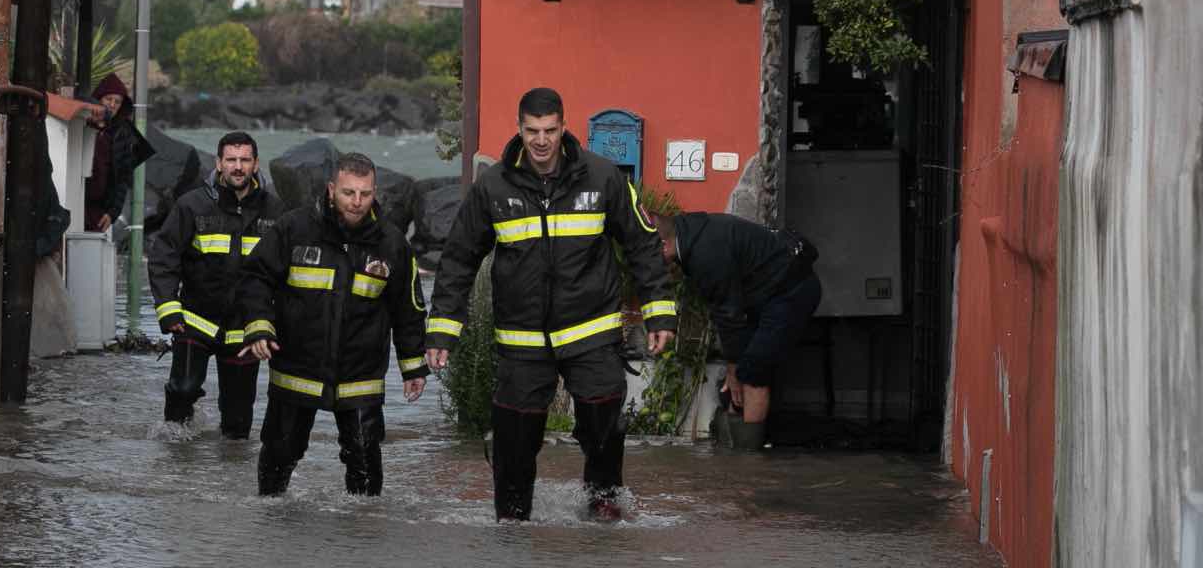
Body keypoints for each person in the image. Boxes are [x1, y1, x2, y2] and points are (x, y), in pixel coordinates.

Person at [425, 87, 679, 522]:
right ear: (519, 129)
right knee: (514, 437)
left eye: (549, 130)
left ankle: (602, 506)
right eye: (532, 131)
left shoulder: (603, 177)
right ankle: (511, 520)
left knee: (604, 423)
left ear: (563, 128)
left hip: (592, 331)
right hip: (522, 338)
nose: (541, 141)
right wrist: (443, 328)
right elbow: (458, 260)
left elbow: (641, 243)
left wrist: (659, 309)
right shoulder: (493, 187)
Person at [236, 152, 429, 496]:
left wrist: (413, 366)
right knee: (281, 453)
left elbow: (408, 308)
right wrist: (259, 325)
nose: (356, 203)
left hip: (361, 373)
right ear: (330, 189)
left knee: (365, 458)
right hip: (297, 366)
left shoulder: (392, 243)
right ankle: (269, 529)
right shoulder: (293, 228)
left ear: (375, 192)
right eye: (348, 193)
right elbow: (255, 278)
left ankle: (362, 536)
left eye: (365, 194)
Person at [147, 131, 285, 438]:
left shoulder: (275, 212)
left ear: (255, 163)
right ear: (219, 163)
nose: (238, 167)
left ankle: (228, 479)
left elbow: (285, 270)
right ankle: (175, 461)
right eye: (231, 160)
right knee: (182, 391)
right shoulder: (192, 206)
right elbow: (164, 257)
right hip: (195, 320)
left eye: (245, 160)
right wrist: (168, 310)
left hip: (245, 328)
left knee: (237, 425)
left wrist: (279, 321)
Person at [653, 212, 821, 449]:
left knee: (752, 371)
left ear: (662, 244)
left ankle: (747, 463)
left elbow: (728, 313)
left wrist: (734, 366)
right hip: (761, 294)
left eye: (646, 253)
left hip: (791, 291)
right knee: (731, 383)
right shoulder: (688, 233)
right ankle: (733, 447)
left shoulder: (705, 250)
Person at [84, 74, 152, 233]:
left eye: (118, 101)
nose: (112, 105)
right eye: (108, 99)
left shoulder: (124, 133)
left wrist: (113, 212)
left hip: (100, 210)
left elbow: (123, 178)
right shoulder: (83, 124)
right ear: (99, 98)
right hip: (76, 200)